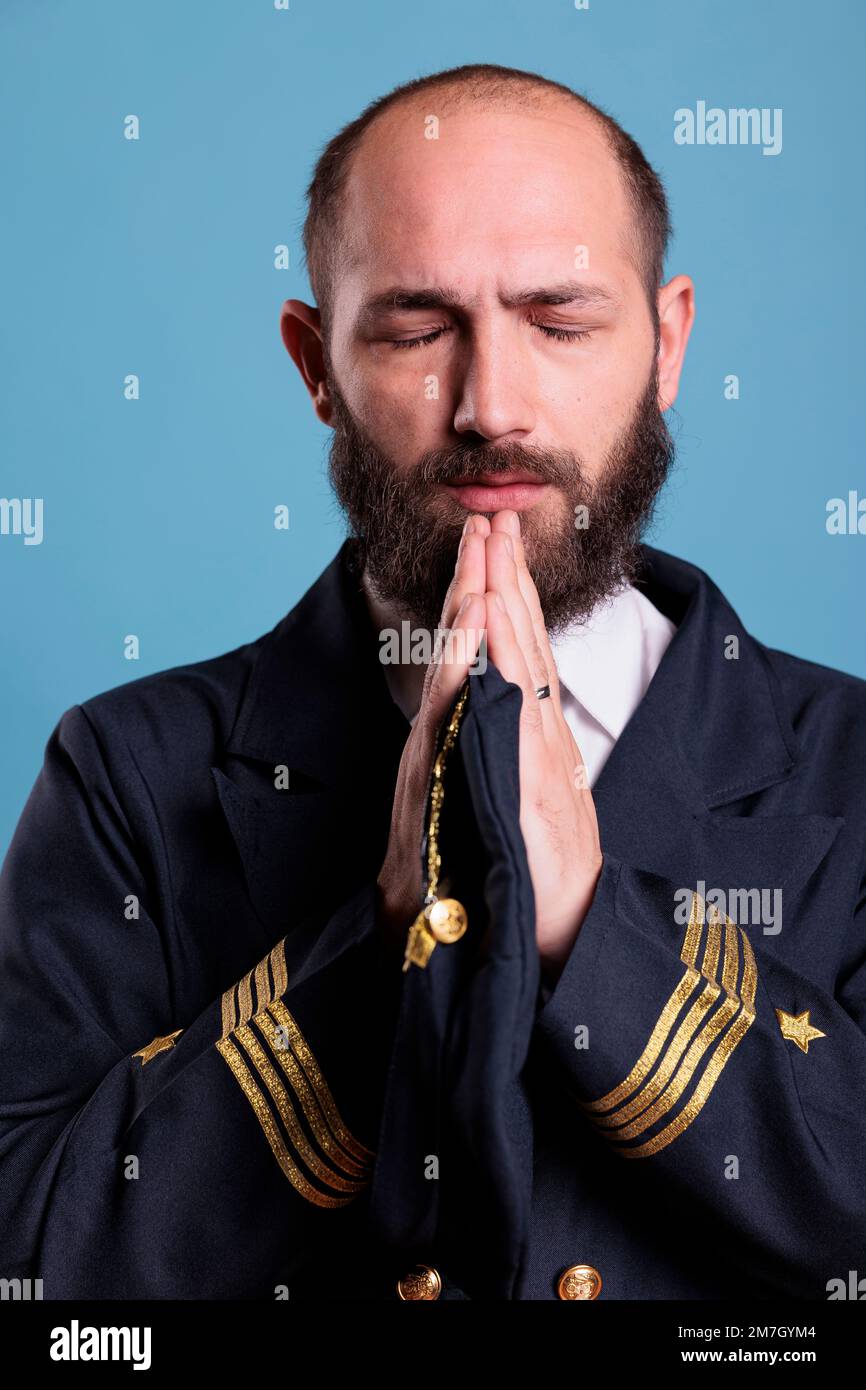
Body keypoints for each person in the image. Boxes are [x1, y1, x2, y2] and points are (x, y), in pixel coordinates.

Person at [1, 62, 864, 1301]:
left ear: (668, 345)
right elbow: (35, 1274)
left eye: (559, 322)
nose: (490, 407)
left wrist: (587, 929)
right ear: (313, 364)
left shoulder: (849, 761)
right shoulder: (126, 775)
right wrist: (396, 934)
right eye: (414, 330)